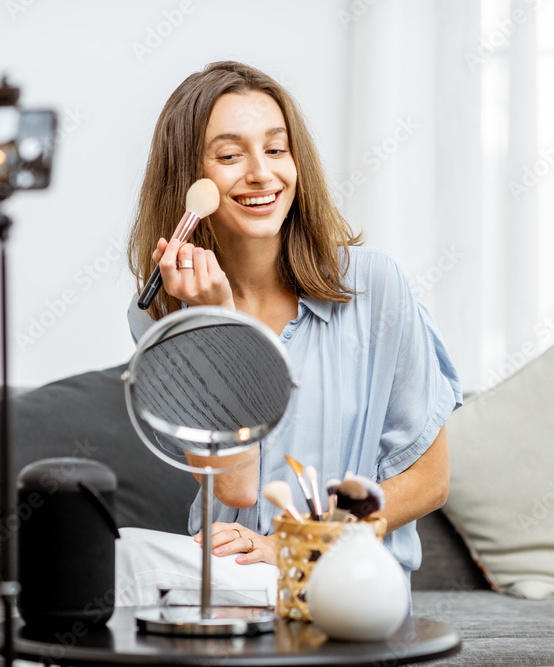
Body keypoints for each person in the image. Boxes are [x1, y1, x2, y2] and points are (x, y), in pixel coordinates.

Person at [118, 61, 462, 607]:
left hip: (351, 587)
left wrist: (295, 546)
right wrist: (217, 326)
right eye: (231, 156)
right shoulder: (164, 311)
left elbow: (428, 481)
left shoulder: (377, 287)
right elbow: (236, 488)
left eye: (276, 150)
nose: (261, 173)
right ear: (188, 183)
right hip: (230, 585)